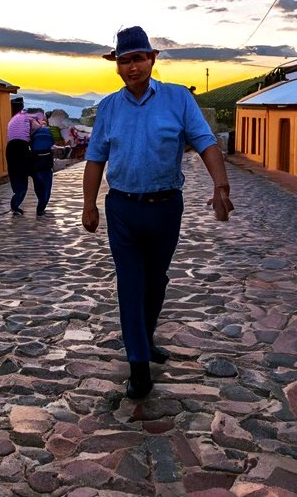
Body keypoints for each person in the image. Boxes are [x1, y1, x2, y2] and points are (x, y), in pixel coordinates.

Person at [82, 26, 234, 400]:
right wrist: (88, 204)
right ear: (116, 66)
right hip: (122, 209)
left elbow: (205, 142)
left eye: (138, 58)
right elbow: (95, 158)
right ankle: (138, 366)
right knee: (130, 283)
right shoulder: (109, 107)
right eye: (124, 61)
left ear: (152, 60)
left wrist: (221, 185)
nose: (131, 67)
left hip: (166, 207)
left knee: (156, 280)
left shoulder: (179, 99)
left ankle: (145, 340)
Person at [6, 109, 40, 215]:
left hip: (10, 147)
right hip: (21, 146)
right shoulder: (29, 118)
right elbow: (37, 128)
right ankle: (15, 204)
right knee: (24, 175)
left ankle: (16, 198)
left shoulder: (12, 120)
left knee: (14, 173)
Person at [30, 117, 55, 216]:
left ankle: (41, 204)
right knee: (47, 186)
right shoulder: (49, 131)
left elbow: (30, 145)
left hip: (35, 161)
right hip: (46, 161)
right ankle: (41, 207)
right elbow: (52, 143)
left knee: (38, 185)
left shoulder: (32, 133)